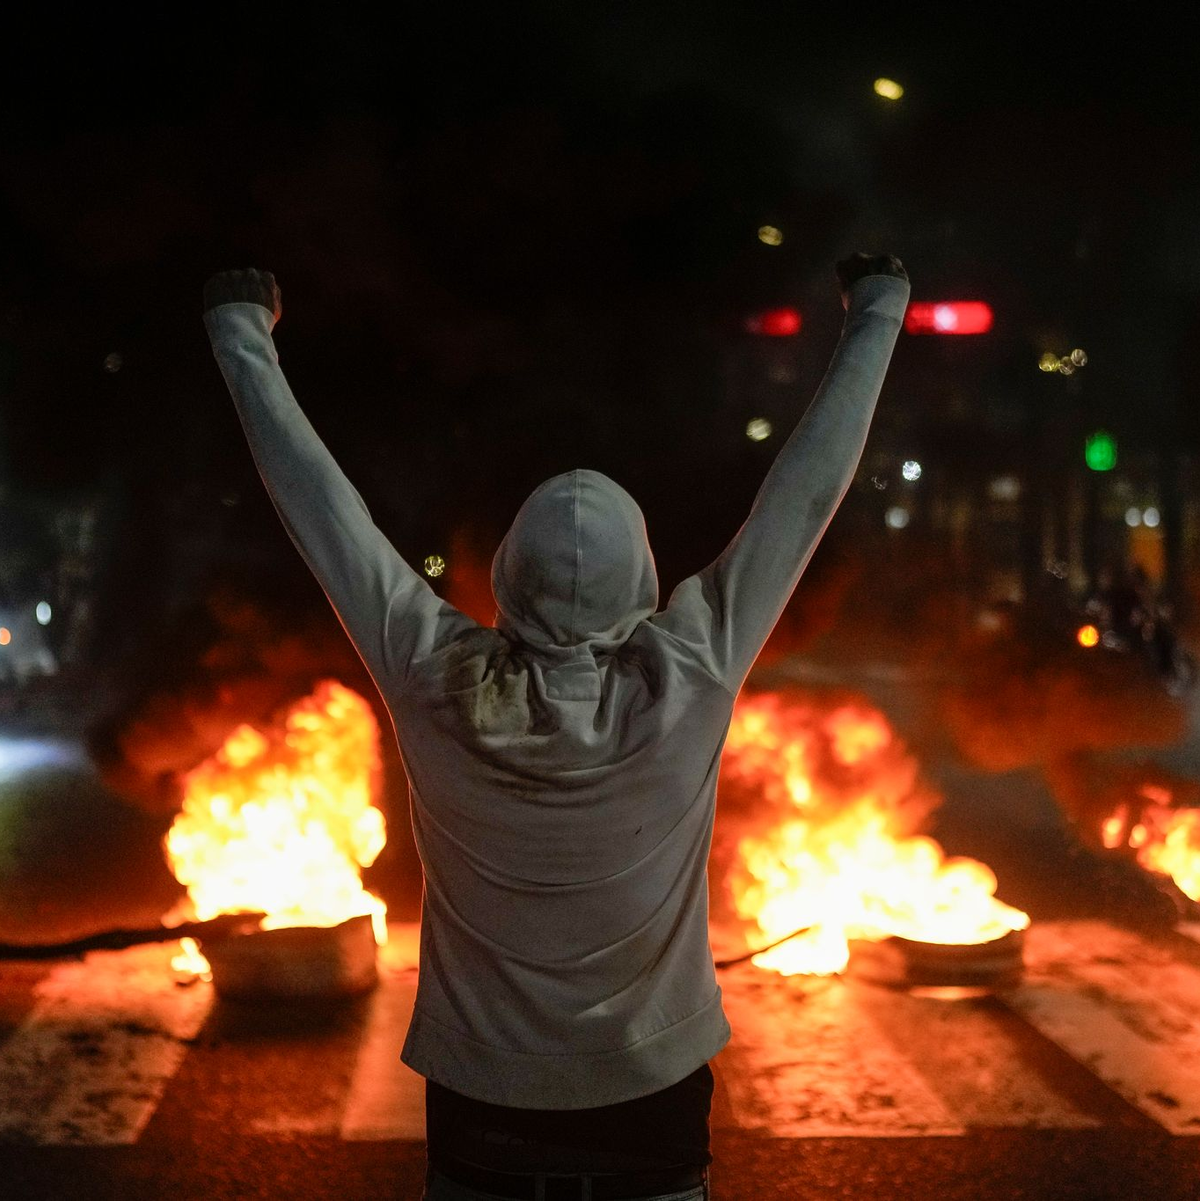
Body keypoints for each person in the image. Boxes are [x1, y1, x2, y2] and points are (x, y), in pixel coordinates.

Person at [201, 252, 910, 1200]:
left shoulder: (434, 675)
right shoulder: (688, 672)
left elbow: (325, 513)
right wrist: (878, 313)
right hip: (650, 1115)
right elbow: (803, 495)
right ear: (643, 576)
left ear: (506, 575)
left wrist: (241, 333)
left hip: (481, 1119)